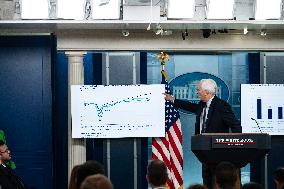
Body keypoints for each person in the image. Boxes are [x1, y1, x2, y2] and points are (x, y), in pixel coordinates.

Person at [165, 79, 242, 189]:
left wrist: (236, 146)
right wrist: (173, 100)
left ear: (207, 92)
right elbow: (191, 107)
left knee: (218, 183)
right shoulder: (202, 104)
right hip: (204, 153)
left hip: (219, 154)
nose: (197, 92)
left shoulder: (221, 106)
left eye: (199, 90)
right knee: (207, 181)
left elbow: (235, 125)